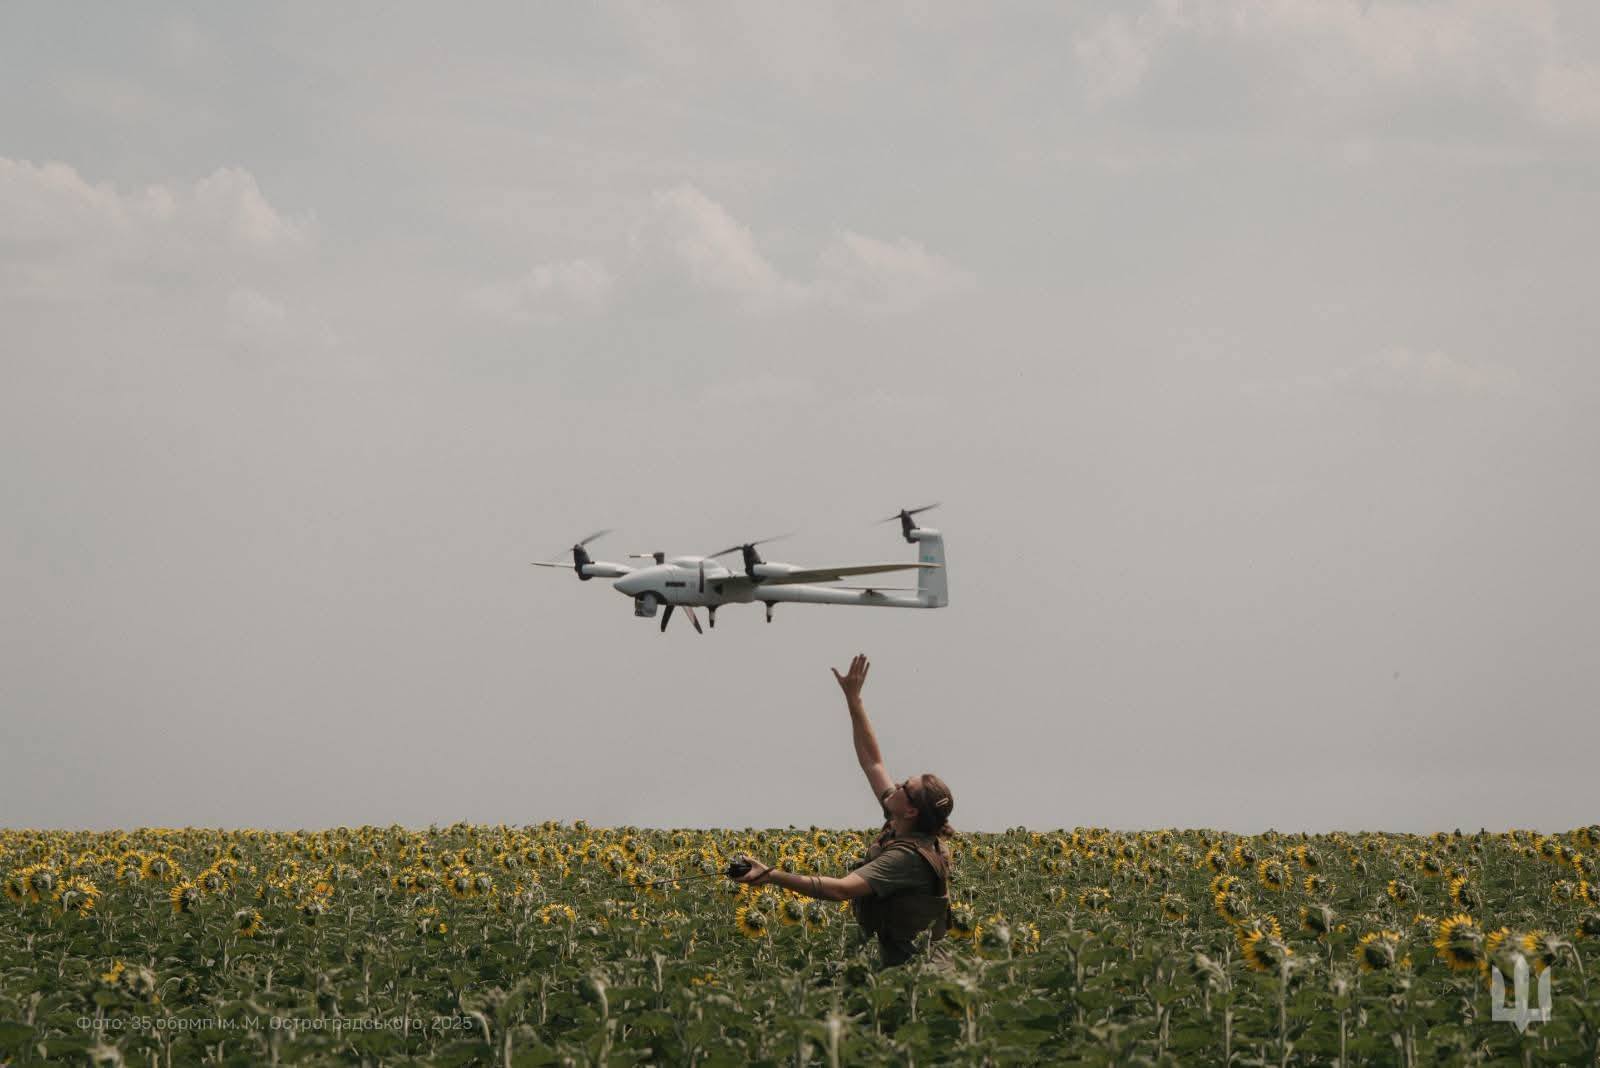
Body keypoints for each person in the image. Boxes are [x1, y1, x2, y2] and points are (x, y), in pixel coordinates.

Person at [732, 653, 956, 967]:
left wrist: (770, 876)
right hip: (905, 969)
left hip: (920, 978)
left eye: (906, 787)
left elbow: (841, 890)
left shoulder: (906, 857)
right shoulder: (899, 820)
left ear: (912, 812)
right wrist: (854, 699)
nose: (898, 784)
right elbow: (873, 761)